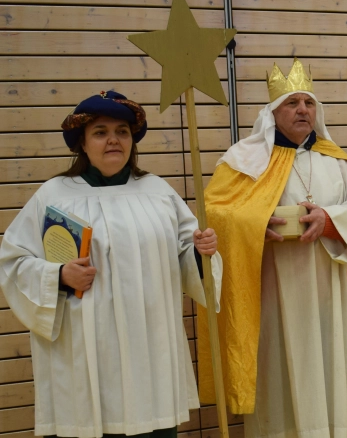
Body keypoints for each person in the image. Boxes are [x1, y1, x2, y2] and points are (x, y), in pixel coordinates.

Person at [0, 91, 222, 438]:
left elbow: (186, 253)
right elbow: (13, 263)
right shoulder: (54, 195)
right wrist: (58, 275)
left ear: (132, 140)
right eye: (100, 132)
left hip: (149, 349)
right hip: (85, 353)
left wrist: (199, 251)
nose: (113, 140)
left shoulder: (158, 193)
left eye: (121, 131)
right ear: (82, 144)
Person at [195, 58, 347, 438]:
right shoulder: (243, 160)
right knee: (278, 381)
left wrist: (329, 220)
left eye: (309, 103)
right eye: (292, 103)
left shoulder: (337, 161)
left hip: (328, 295)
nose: (302, 110)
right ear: (272, 113)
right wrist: (254, 227)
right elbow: (215, 213)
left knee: (328, 371)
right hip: (271, 297)